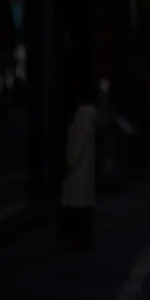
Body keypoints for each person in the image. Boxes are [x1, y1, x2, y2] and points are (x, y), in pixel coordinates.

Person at [59, 97, 98, 253]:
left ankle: (76, 240)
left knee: (75, 207)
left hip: (77, 173)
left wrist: (69, 165)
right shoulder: (89, 118)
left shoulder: (81, 119)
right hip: (85, 172)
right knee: (83, 208)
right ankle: (83, 239)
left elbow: (76, 148)